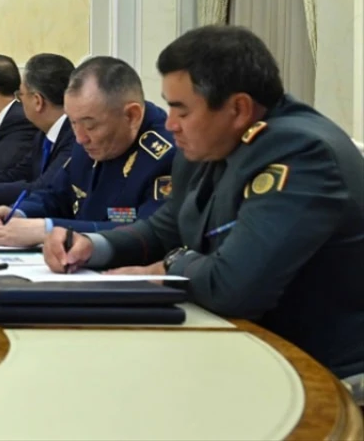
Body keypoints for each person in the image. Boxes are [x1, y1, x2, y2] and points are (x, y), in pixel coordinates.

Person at [44, 26, 364, 381]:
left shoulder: (302, 154)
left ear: (238, 109)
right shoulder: (211, 140)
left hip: (315, 373)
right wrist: (93, 246)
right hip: (235, 345)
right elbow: (166, 227)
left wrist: (171, 264)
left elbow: (235, 287)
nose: (170, 124)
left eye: (182, 111)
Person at [0, 56, 175, 247]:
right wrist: (20, 213)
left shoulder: (165, 155)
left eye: (90, 126)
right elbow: (56, 193)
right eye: (73, 123)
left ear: (131, 116)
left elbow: (147, 234)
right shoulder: (86, 138)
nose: (80, 138)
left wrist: (49, 229)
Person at [0, 53, 75, 206]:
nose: (18, 101)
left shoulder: (74, 137)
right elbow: (18, 173)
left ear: (37, 101)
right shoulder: (43, 134)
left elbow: (43, 188)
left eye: (20, 94)